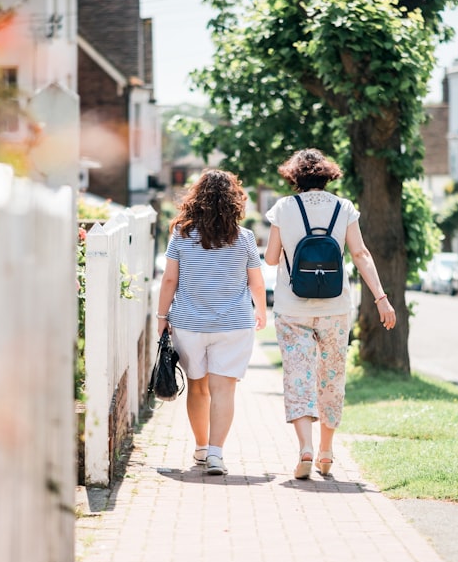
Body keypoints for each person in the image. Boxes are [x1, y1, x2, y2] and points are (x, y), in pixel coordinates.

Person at [264, 149, 396, 479]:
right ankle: (325, 451)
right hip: (337, 308)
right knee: (332, 377)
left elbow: (269, 258)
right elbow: (361, 253)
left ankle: (305, 448)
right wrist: (381, 297)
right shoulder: (344, 208)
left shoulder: (283, 207)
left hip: (292, 308)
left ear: (293, 176)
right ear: (327, 175)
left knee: (298, 374)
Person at [156, 169, 268, 476]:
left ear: (196, 198)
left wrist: (162, 317)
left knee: (198, 388)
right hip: (233, 325)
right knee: (224, 390)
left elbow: (169, 280)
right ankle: (217, 454)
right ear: (234, 200)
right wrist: (261, 311)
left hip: (189, 323)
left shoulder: (180, 235)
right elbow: (256, 284)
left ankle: (201, 448)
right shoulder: (244, 238)